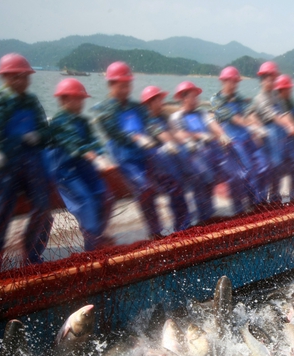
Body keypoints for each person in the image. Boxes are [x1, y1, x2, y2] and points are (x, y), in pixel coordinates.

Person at [0, 53, 53, 273]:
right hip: (3, 165)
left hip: (30, 162)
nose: (22, 82)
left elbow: (44, 130)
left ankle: (32, 257)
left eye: (25, 77)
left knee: (43, 207)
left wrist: (38, 135)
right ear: (7, 77)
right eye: (17, 77)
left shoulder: (31, 100)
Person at [93, 61, 164, 240]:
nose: (126, 89)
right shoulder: (105, 110)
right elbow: (115, 133)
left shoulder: (135, 107)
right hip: (124, 158)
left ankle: (163, 229)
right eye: (122, 85)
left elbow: (150, 122)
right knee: (145, 188)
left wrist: (158, 136)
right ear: (111, 85)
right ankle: (154, 232)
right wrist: (136, 137)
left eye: (128, 85)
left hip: (142, 154)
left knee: (163, 180)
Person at [46, 78, 111, 251]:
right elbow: (74, 144)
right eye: (78, 98)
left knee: (105, 196)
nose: (81, 102)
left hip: (82, 166)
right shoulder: (59, 121)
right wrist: (93, 157)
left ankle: (97, 235)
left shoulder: (82, 121)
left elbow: (93, 141)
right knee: (86, 203)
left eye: (82, 99)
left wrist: (102, 155)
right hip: (64, 171)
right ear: (65, 99)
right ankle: (92, 250)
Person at [169, 81, 248, 221]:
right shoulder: (177, 117)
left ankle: (237, 210)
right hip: (192, 156)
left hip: (210, 152)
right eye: (193, 96)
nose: (196, 99)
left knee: (233, 172)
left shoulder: (202, 113)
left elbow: (213, 125)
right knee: (201, 180)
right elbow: (179, 134)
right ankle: (202, 218)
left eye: (196, 96)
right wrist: (198, 136)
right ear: (184, 98)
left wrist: (222, 134)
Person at [210, 66, 268, 206]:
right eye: (233, 81)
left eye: (236, 82)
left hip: (247, 138)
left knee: (264, 166)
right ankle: (248, 207)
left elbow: (249, 113)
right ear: (224, 81)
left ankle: (260, 202)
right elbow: (233, 118)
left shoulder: (239, 98)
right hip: (233, 142)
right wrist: (250, 126)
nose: (235, 84)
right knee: (244, 173)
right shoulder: (216, 100)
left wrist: (258, 127)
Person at [140, 85, 192, 232]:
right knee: (175, 189)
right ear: (150, 103)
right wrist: (171, 142)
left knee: (180, 187)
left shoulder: (162, 116)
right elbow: (162, 135)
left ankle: (183, 224)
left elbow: (173, 132)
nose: (162, 102)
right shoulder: (148, 120)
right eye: (159, 100)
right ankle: (181, 227)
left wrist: (185, 141)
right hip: (156, 166)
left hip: (170, 163)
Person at [250, 61, 294, 203]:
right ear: (263, 79)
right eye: (270, 78)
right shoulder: (260, 98)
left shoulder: (276, 96)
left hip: (278, 138)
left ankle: (275, 199)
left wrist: (292, 124)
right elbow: (274, 116)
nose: (272, 81)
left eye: (274, 78)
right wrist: (288, 126)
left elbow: (284, 112)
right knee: (267, 169)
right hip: (267, 139)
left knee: (278, 167)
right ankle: (261, 202)